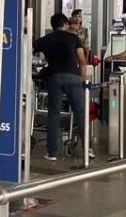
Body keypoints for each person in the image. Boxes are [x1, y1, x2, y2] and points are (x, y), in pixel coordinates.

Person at [33, 13, 88, 161]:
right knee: (80, 113)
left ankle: (52, 153)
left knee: (53, 114)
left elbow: (30, 49)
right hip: (73, 77)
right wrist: (83, 80)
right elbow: (82, 61)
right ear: (65, 24)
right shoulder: (74, 38)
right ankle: (87, 149)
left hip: (54, 77)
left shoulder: (46, 39)